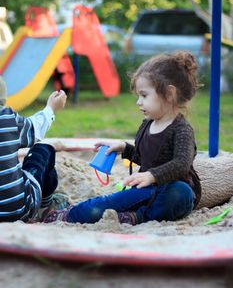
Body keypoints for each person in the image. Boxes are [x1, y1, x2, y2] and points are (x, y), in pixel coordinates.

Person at [44, 51, 201, 225]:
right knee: (102, 205)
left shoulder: (182, 130)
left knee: (180, 193)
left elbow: (181, 164)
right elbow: (148, 157)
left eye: (144, 95)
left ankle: (138, 217)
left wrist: (152, 176)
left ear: (169, 94)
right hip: (145, 190)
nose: (138, 102)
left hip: (169, 193)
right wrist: (124, 149)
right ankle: (71, 215)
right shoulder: (148, 124)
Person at [0, 76, 69, 222]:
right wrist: (51, 108)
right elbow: (36, 128)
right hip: (17, 209)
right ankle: (46, 205)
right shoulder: (6, 119)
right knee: (43, 149)